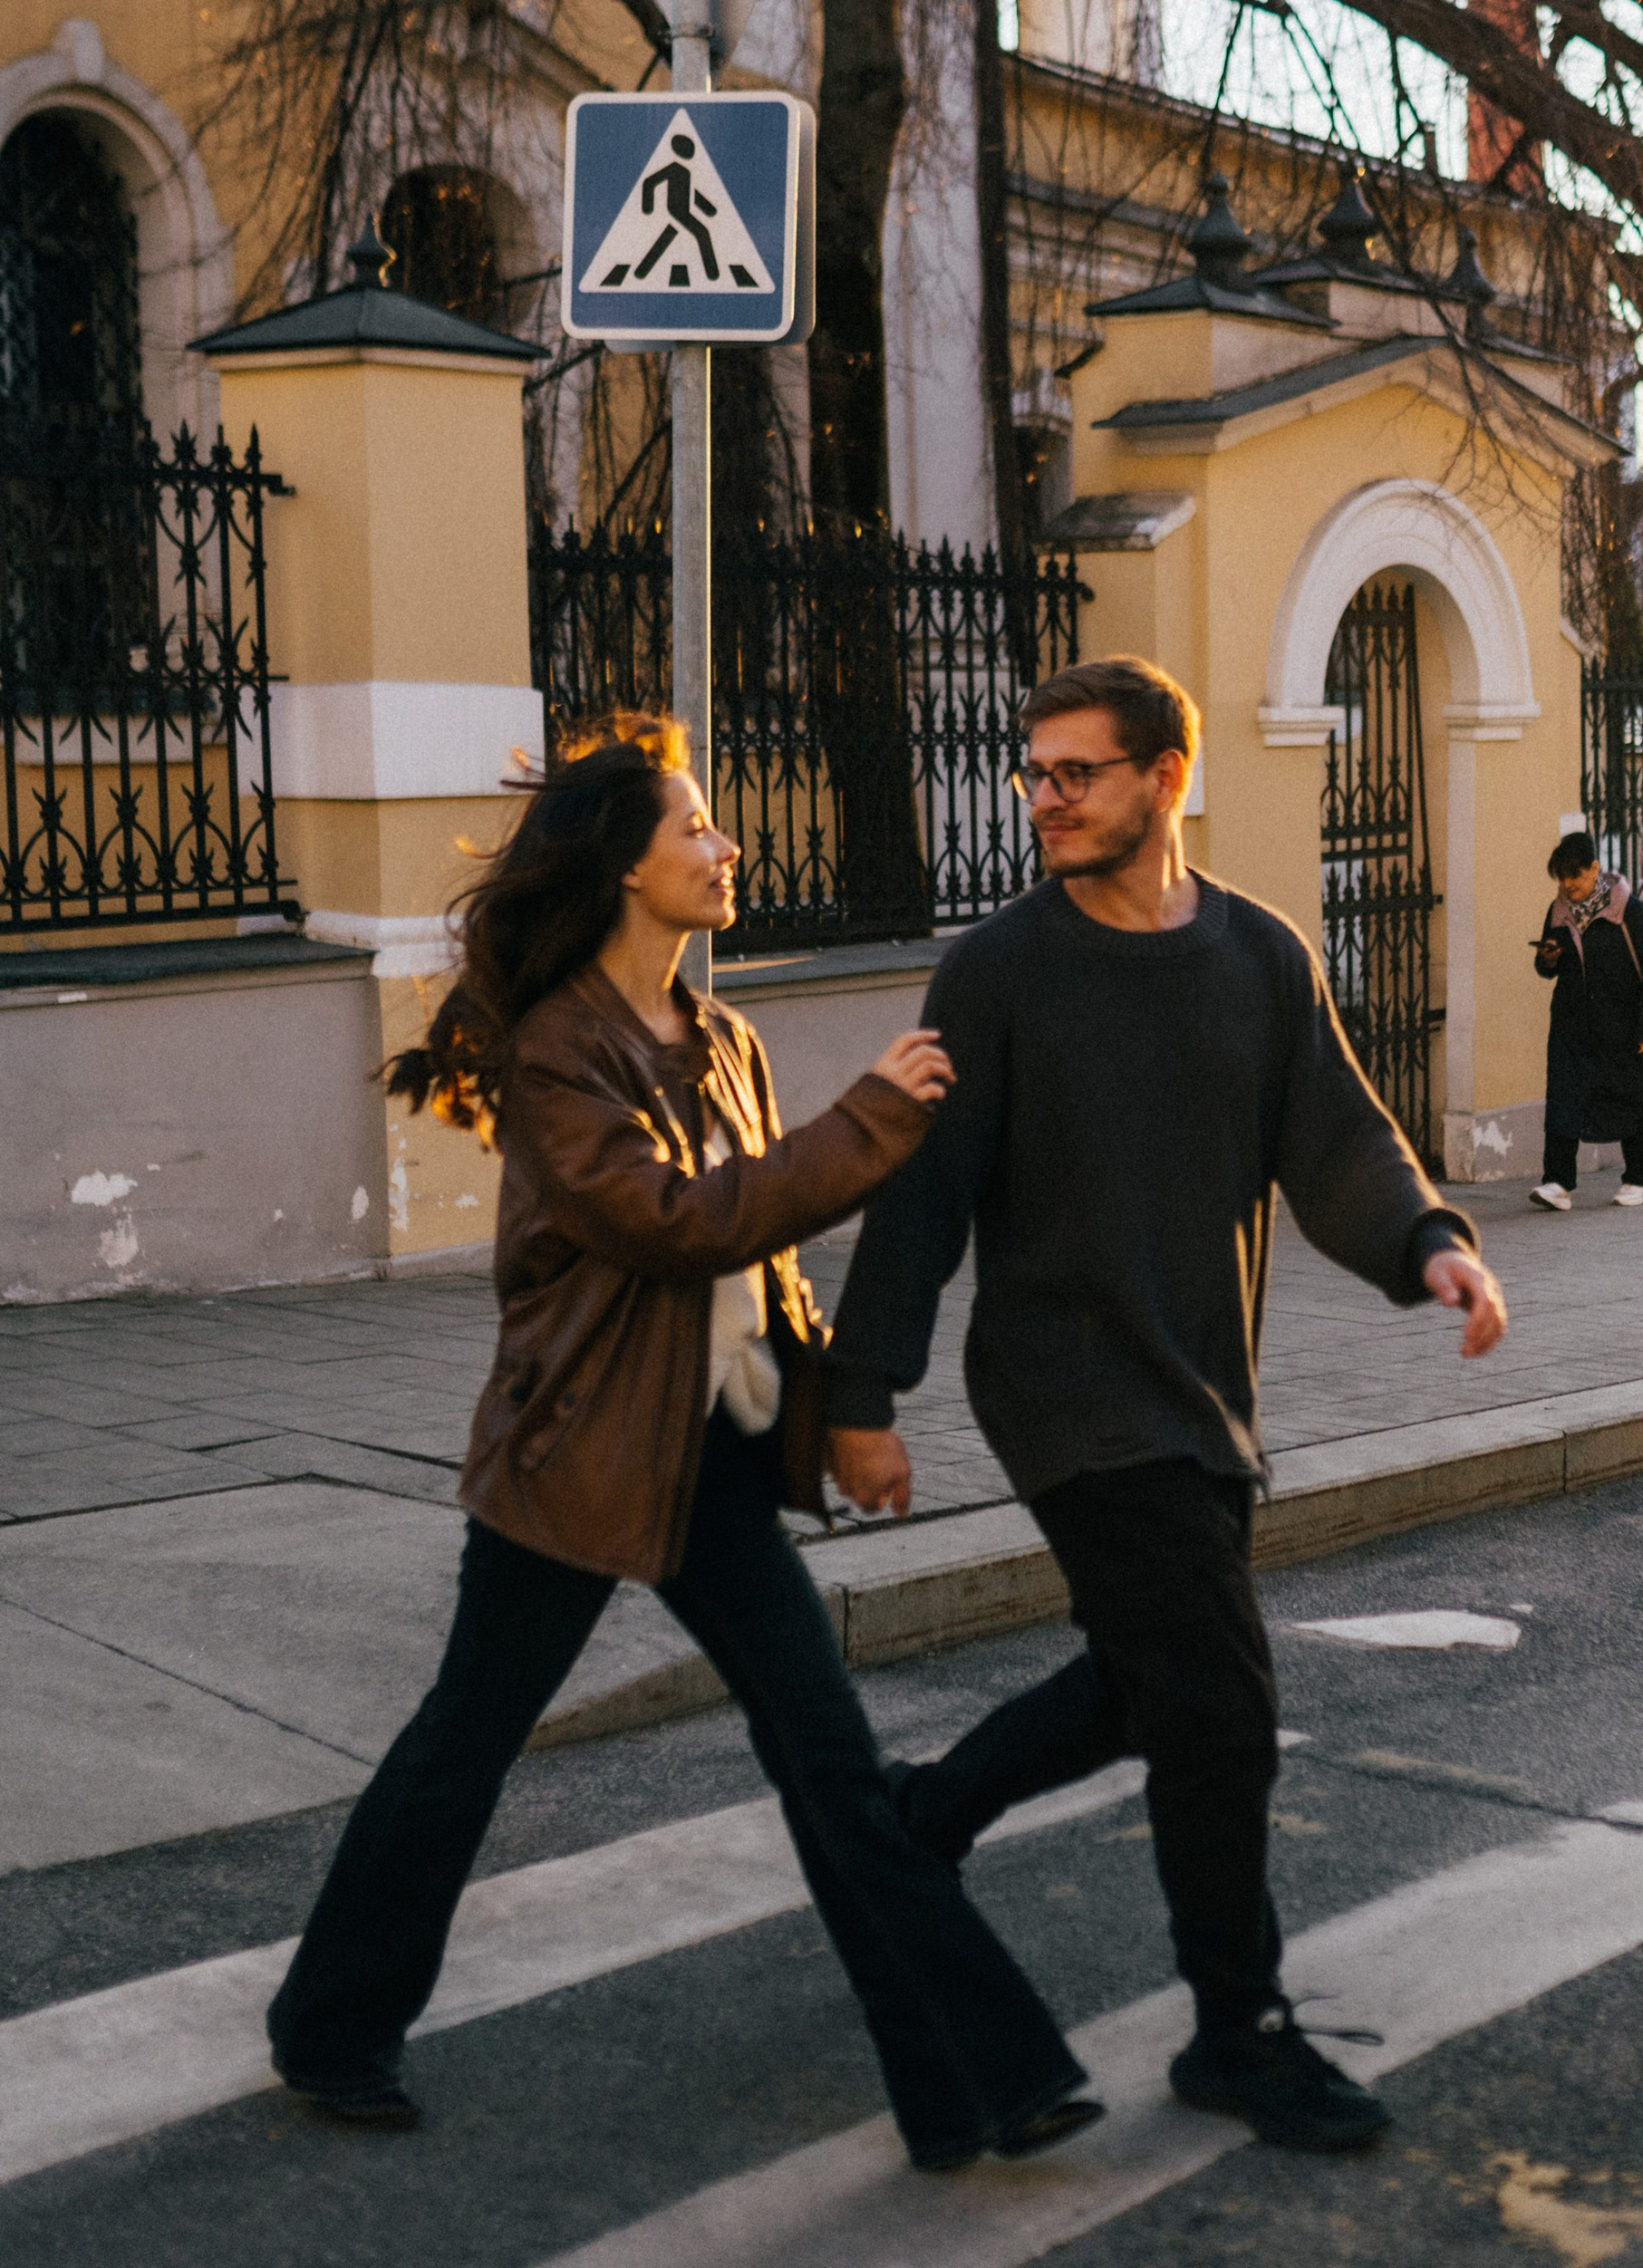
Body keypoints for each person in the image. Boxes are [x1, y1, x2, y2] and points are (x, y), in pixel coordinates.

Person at [266, 718, 1098, 2176]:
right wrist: (872, 1121)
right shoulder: (555, 1052)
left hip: (714, 1458)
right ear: (624, 869)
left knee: (832, 1761)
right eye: (696, 827)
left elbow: (764, 1269)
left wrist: (843, 1413)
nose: (727, 846)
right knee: (465, 1747)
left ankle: (978, 2077)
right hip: (577, 1456)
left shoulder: (722, 1040)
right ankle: (331, 2024)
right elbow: (677, 1224)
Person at [819, 655, 1507, 2157]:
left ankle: (918, 1820)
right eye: (1034, 774)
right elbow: (926, 1195)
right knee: (1223, 1699)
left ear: (1166, 779)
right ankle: (1237, 2030)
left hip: (1202, 1383)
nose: (1044, 800)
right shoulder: (1000, 971)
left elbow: (1336, 1138)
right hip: (1064, 1384)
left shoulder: (1257, 956)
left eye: (1076, 773)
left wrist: (1429, 1242)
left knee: (1154, 1681)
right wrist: (861, 1395)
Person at [1530, 829, 1643, 1211]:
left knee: (1630, 1097)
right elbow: (1546, 968)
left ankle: (1638, 1179)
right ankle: (1557, 1183)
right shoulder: (1559, 912)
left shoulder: (1629, 910)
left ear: (1594, 868)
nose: (1568, 885)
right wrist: (1548, 958)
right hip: (1572, 1025)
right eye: (1562, 878)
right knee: (1563, 1098)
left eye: (1575, 875)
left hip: (1624, 1025)